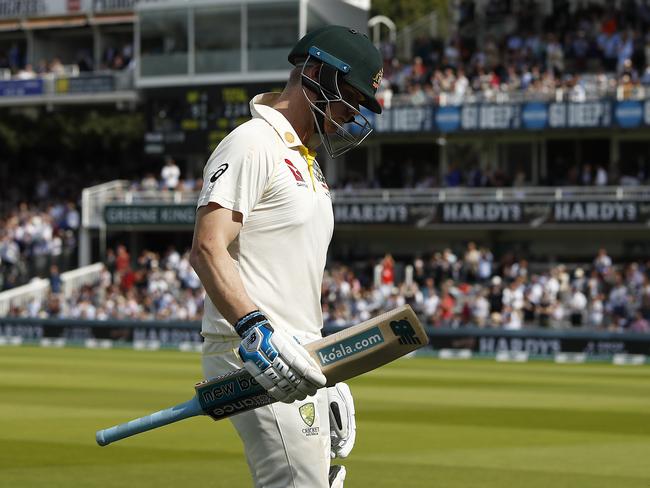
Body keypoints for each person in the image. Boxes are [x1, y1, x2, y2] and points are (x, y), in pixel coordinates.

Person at [189, 26, 383, 488]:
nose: (352, 112)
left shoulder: (307, 160)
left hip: (297, 353)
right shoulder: (253, 142)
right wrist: (256, 331)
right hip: (254, 352)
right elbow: (207, 247)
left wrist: (325, 371)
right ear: (315, 73)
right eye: (350, 96)